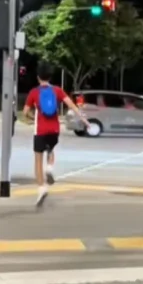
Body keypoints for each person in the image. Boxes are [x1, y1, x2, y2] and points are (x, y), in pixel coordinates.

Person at [23, 62, 90, 207]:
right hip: (54, 130)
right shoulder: (58, 91)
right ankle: (50, 168)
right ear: (50, 76)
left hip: (40, 130)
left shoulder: (34, 92)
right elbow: (71, 105)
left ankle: (41, 188)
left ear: (38, 77)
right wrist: (83, 119)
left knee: (37, 159)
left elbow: (25, 112)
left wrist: (31, 118)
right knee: (51, 150)